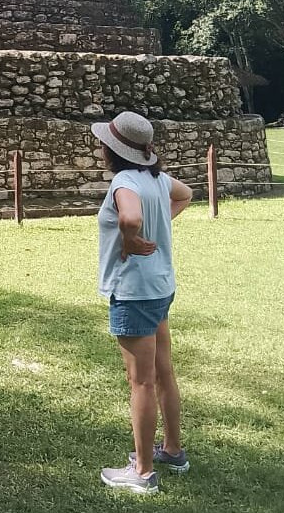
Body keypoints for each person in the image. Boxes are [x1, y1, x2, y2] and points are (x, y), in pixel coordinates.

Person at [91, 111, 194, 494]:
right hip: (161, 286)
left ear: (112, 149)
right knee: (163, 373)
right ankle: (172, 449)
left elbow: (130, 218)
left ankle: (143, 471)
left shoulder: (124, 181)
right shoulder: (157, 178)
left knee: (141, 382)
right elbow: (186, 195)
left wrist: (132, 237)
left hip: (134, 291)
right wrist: (159, 223)